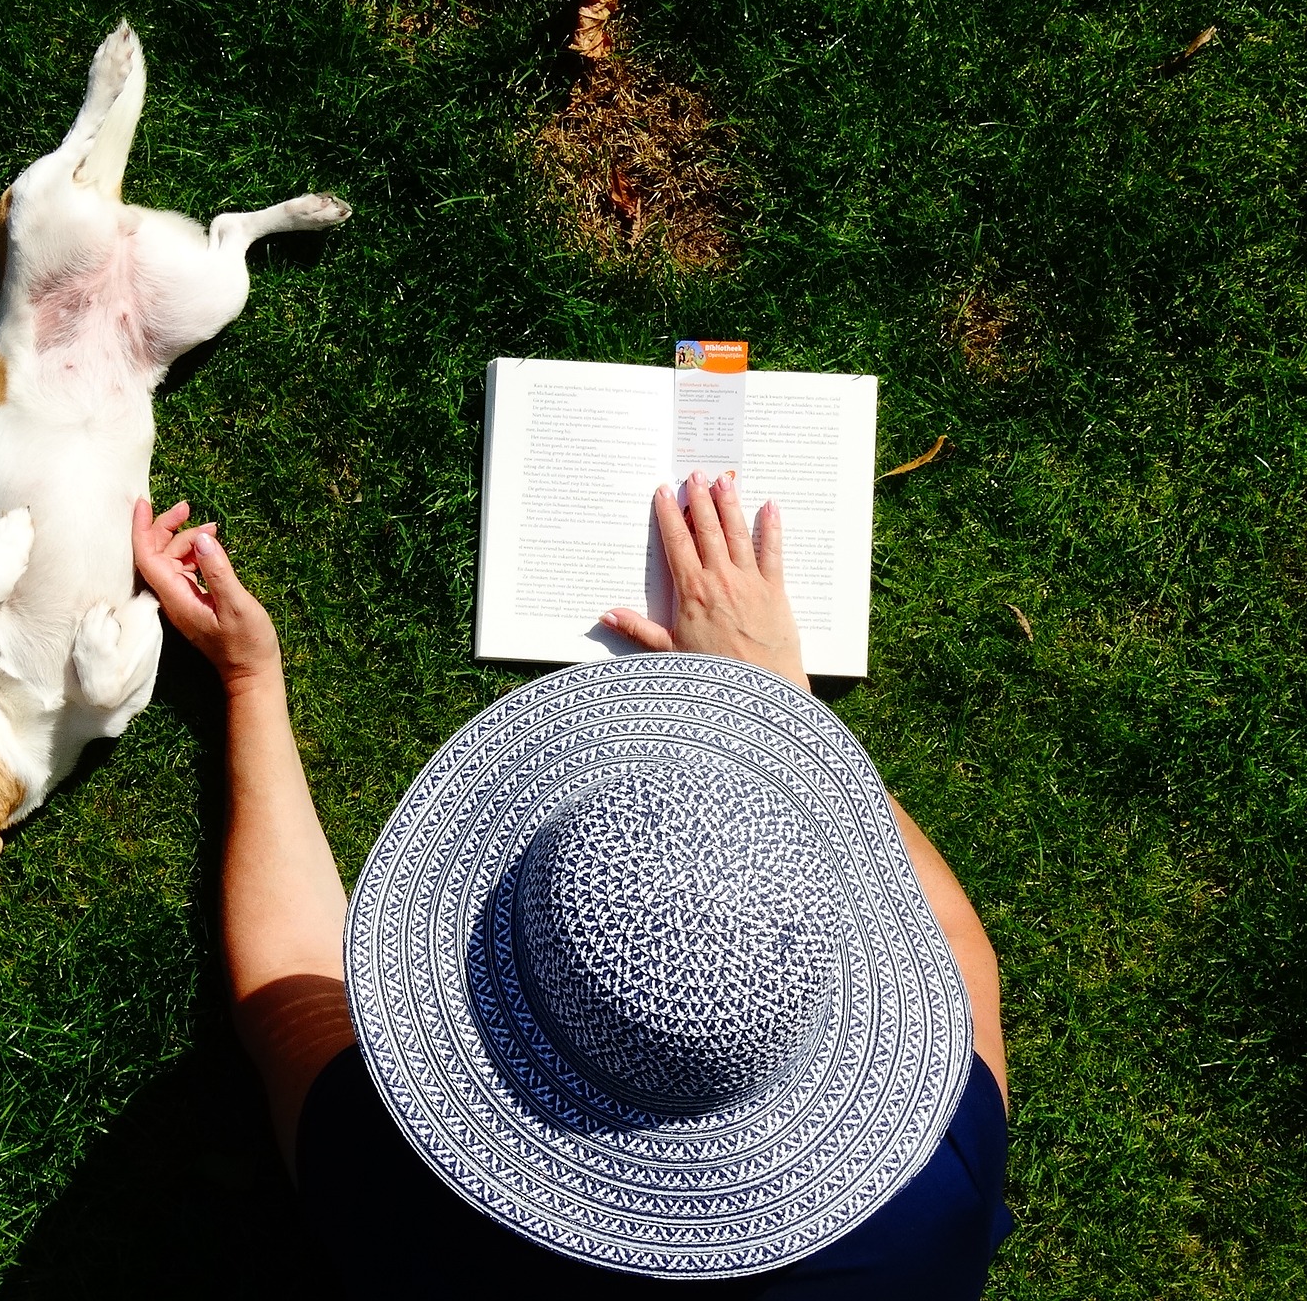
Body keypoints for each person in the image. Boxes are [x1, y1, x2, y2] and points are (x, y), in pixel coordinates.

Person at [133, 470, 1012, 1296]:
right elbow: (958, 952)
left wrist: (250, 679)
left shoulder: (403, 1204)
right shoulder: (936, 1203)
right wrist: (779, 702)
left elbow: (292, 998)